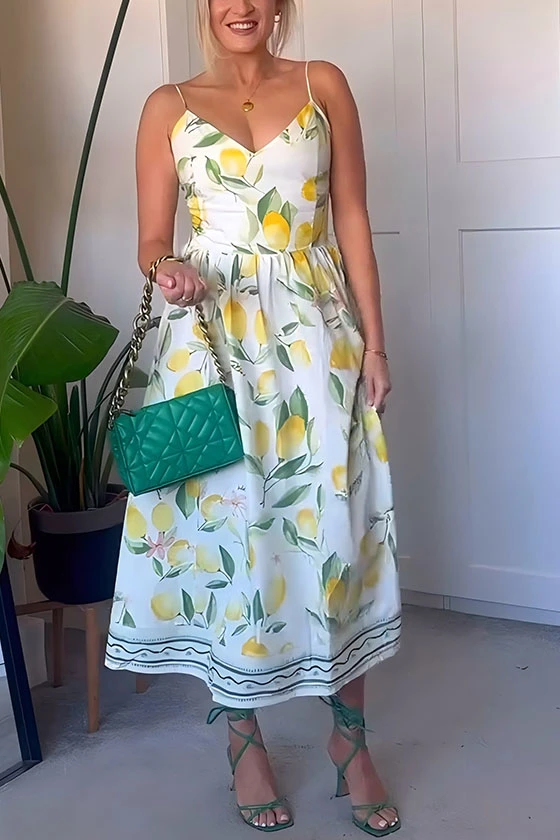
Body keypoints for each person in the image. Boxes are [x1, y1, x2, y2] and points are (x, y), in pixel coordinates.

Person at [106, 0, 401, 834]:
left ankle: (350, 739)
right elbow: (151, 238)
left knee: (334, 525)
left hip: (314, 336)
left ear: (279, 5)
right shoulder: (167, 105)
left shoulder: (322, 85)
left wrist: (376, 345)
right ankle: (243, 740)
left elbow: (351, 216)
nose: (240, 4)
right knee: (229, 533)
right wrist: (167, 268)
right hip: (211, 343)